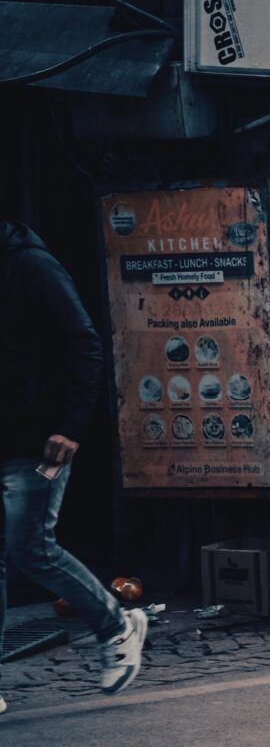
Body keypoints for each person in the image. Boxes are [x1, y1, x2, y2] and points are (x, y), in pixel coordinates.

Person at [0, 221, 142, 705]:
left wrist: (71, 427)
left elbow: (85, 343)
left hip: (39, 444)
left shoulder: (31, 266)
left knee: (30, 546)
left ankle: (116, 626)